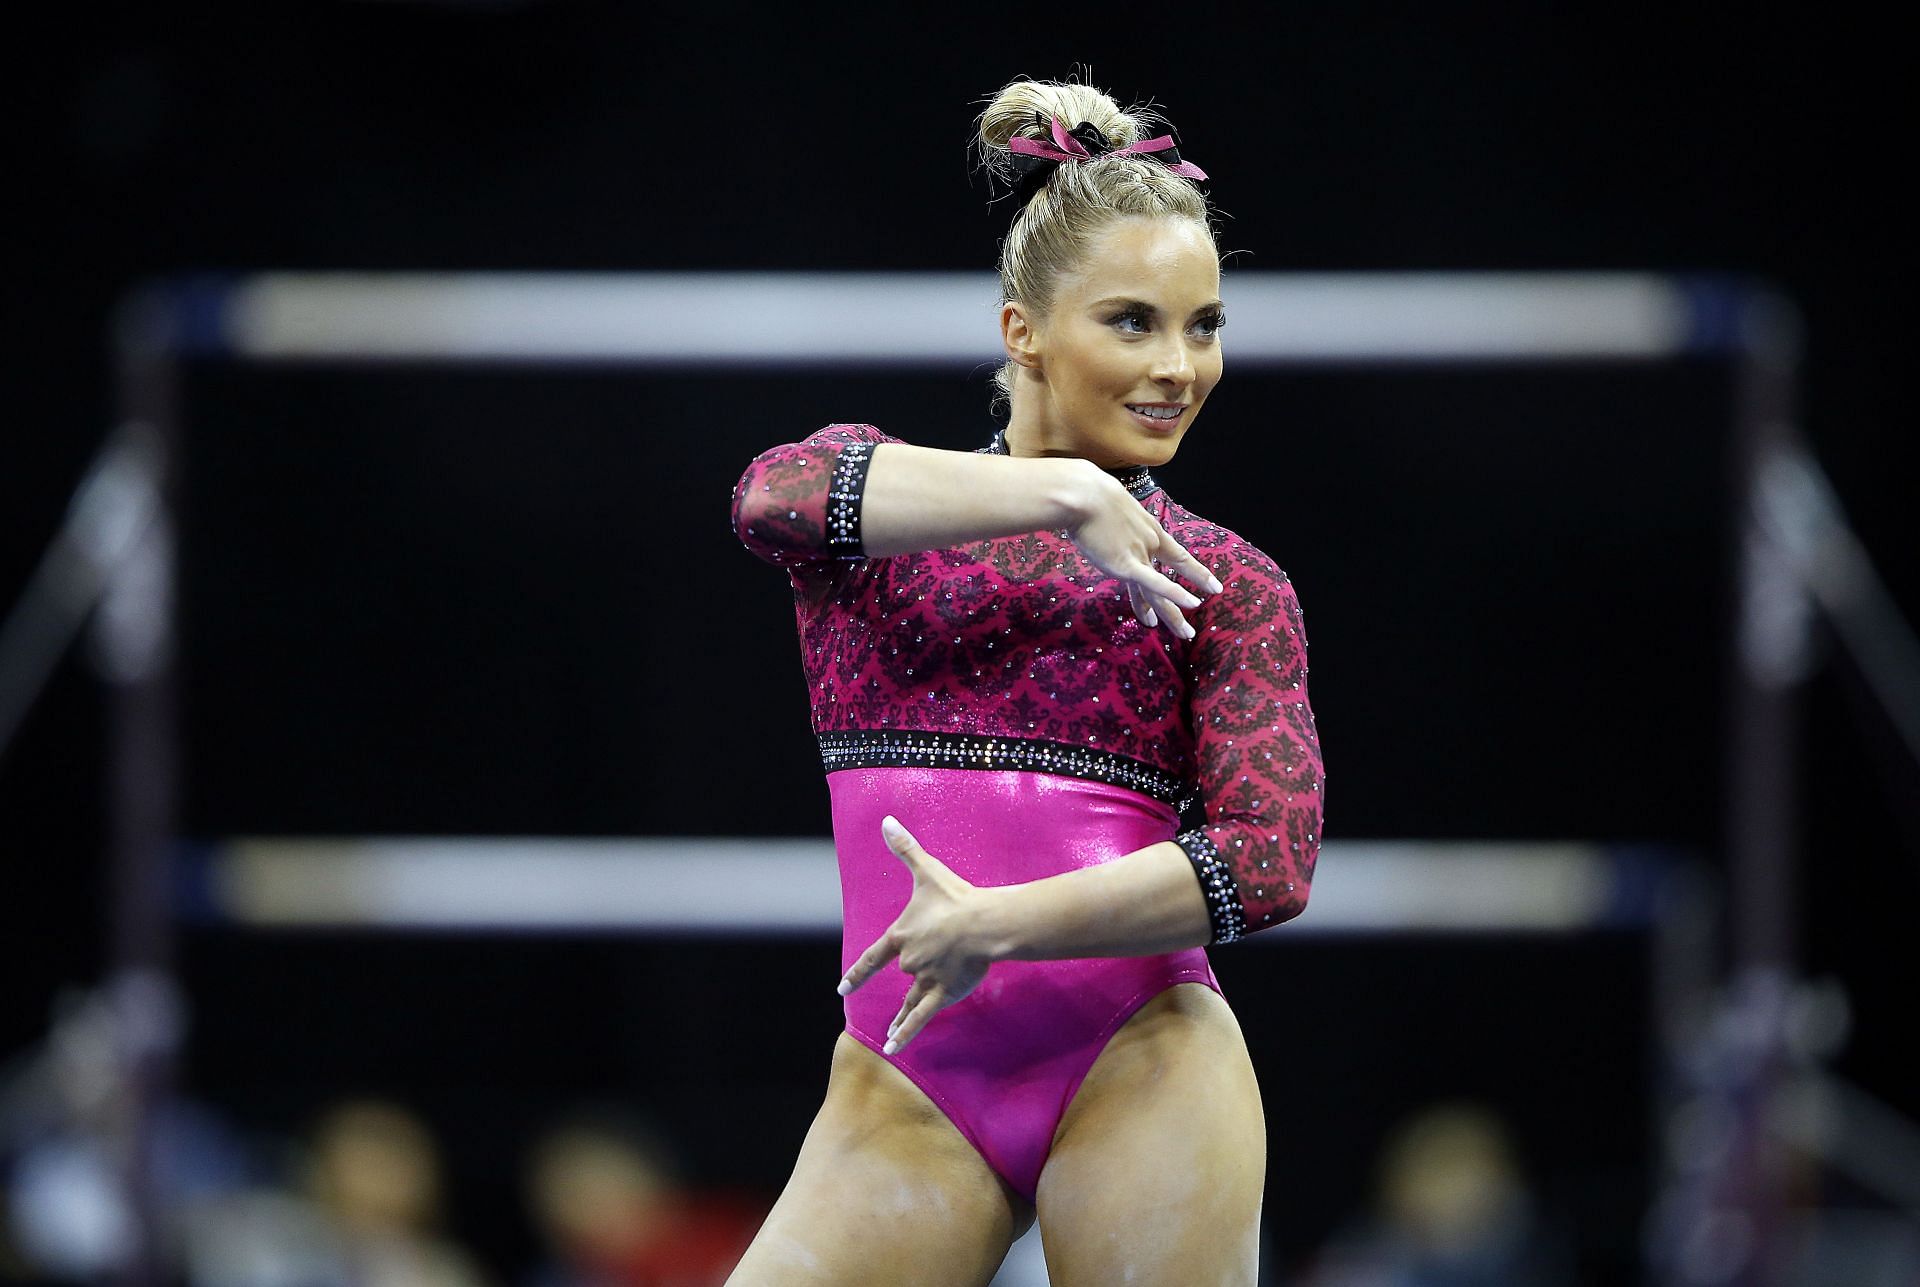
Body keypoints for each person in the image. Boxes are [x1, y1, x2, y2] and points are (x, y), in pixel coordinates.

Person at [724, 75, 1324, 1287]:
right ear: (1023, 334)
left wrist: (1001, 925)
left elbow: (1271, 860)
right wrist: (1068, 493)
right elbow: (767, 496)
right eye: (1133, 322)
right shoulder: (873, 515)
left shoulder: (1225, 581)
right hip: (907, 1075)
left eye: (1203, 324)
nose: (1179, 367)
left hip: (1142, 1056)